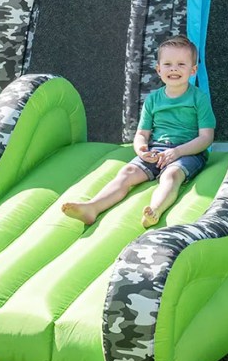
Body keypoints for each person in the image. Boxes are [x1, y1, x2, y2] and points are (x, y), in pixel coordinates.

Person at [62, 36, 216, 229]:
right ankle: (92, 207)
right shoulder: (153, 100)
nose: (173, 69)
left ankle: (155, 210)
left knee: (172, 175)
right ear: (159, 70)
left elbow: (206, 137)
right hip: (156, 150)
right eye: (167, 64)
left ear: (193, 70)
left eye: (181, 64)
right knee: (127, 172)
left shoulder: (198, 99)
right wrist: (141, 149)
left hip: (187, 152)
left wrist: (177, 152)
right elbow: (142, 134)